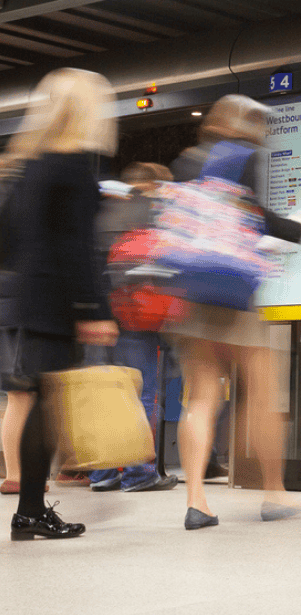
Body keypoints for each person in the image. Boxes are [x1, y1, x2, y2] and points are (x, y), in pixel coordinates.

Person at [168, 95, 301, 529]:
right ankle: (274, 492)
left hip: (190, 294)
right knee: (261, 395)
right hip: (234, 293)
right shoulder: (249, 158)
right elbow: (263, 222)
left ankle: (195, 499)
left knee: (202, 396)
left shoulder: (186, 162)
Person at [6, 67, 120, 540]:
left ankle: (31, 509)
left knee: (39, 399)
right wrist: (95, 310)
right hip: (58, 301)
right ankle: (31, 510)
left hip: (30, 296)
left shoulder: (29, 162)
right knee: (49, 404)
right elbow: (78, 248)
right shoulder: (74, 165)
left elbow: (7, 236)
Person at [88, 162, 178, 493]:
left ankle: (103, 472)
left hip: (103, 314)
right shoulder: (152, 210)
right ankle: (139, 472)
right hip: (139, 317)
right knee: (145, 393)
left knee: (108, 393)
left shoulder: (100, 208)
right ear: (151, 184)